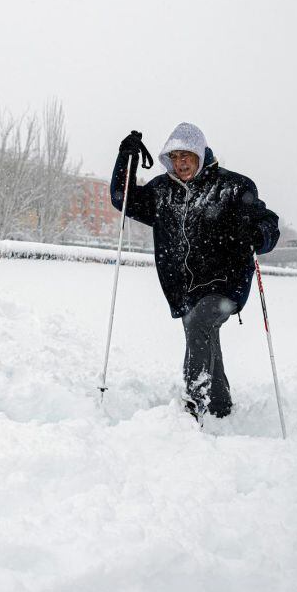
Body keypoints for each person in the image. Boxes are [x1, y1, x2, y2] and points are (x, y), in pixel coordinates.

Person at [111, 123, 279, 422]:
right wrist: (127, 157)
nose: (181, 162)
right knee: (204, 333)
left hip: (226, 282)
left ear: (201, 154)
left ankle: (195, 404)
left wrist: (261, 234)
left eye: (187, 155)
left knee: (199, 322)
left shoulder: (233, 187)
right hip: (185, 288)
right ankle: (220, 404)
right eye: (174, 157)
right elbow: (122, 199)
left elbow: (267, 221)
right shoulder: (162, 192)